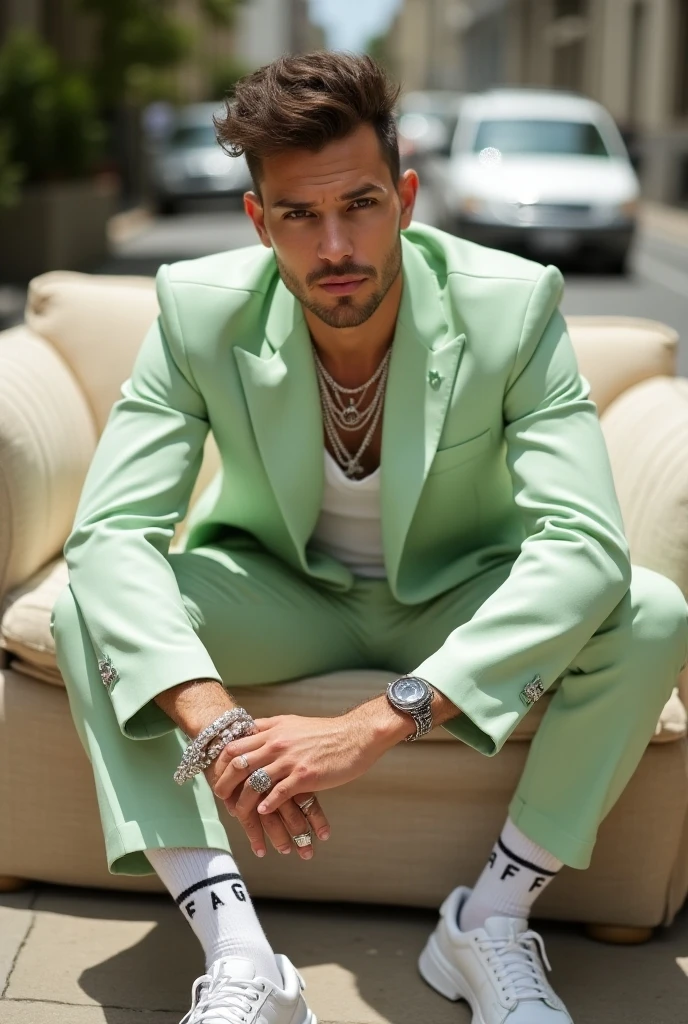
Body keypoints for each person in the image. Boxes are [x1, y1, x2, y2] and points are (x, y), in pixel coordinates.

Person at [51, 51, 688, 1024]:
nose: (335, 243)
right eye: (300, 216)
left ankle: (487, 919)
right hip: (280, 590)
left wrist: (376, 722)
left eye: (360, 204)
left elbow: (585, 547)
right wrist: (217, 723)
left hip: (454, 595)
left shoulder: (510, 308)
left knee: (648, 610)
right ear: (261, 222)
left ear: (406, 198)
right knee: (90, 607)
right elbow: (109, 536)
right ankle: (241, 956)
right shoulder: (197, 310)